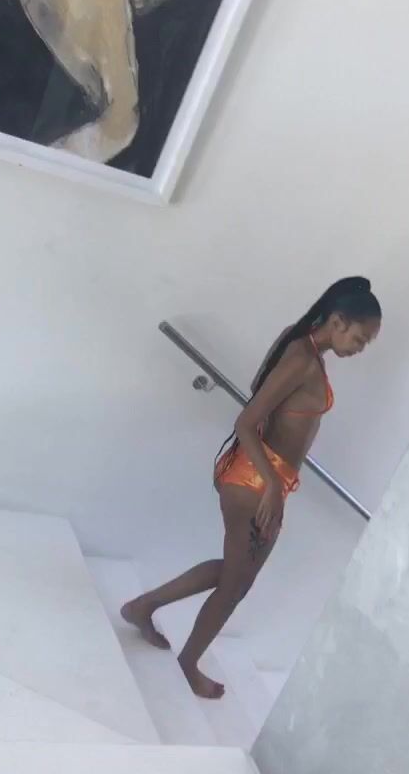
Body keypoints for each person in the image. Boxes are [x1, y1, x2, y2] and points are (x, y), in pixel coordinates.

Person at [121, 277, 382, 698]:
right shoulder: (301, 359)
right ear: (337, 321)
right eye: (360, 338)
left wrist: (277, 485)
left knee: (235, 575)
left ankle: (143, 606)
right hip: (255, 482)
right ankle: (186, 662)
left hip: (264, 479)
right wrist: (273, 489)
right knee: (235, 585)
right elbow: (246, 422)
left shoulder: (305, 349)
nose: (360, 348)